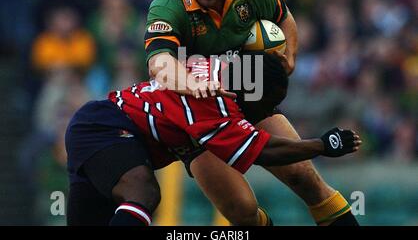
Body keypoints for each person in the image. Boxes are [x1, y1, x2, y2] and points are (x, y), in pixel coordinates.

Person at [144, 0, 360, 225]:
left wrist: (291, 54)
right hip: (196, 121)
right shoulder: (167, 6)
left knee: (304, 178)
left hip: (247, 97)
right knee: (243, 212)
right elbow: (159, 64)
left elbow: (284, 16)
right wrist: (196, 84)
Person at [65, 52, 361, 226]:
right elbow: (263, 152)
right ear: (249, 93)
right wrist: (322, 145)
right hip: (105, 128)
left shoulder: (223, 69)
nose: (270, 111)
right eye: (269, 103)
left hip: (111, 133)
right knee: (144, 193)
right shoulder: (211, 102)